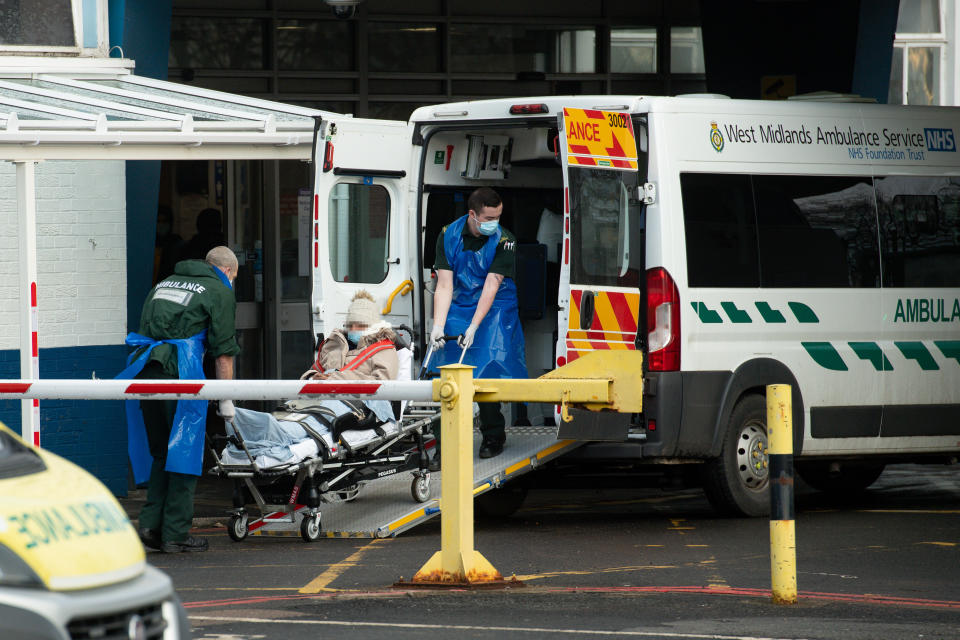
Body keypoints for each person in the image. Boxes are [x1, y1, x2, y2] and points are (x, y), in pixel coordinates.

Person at [118, 246, 240, 553]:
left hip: (147, 370)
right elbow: (224, 353)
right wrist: (226, 399)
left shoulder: (164, 283)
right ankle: (175, 532)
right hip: (180, 372)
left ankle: (150, 526)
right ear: (226, 271)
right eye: (234, 277)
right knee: (184, 451)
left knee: (161, 451)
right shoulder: (218, 289)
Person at [429, 187, 526, 464]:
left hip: (496, 305)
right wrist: (438, 325)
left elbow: (492, 284)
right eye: (489, 217)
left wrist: (473, 327)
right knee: (444, 367)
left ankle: (493, 434)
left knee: (487, 366)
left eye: (498, 216)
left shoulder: (505, 240)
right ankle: (443, 445)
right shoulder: (448, 234)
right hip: (460, 302)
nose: (495, 222)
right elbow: (445, 285)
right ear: (473, 214)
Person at [301, 290, 399, 382]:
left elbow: (383, 384)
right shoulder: (334, 343)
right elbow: (315, 369)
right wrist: (311, 377)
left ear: (372, 326)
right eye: (350, 324)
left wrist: (335, 378)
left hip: (358, 399)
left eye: (360, 325)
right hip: (321, 395)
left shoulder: (383, 349)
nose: (353, 328)